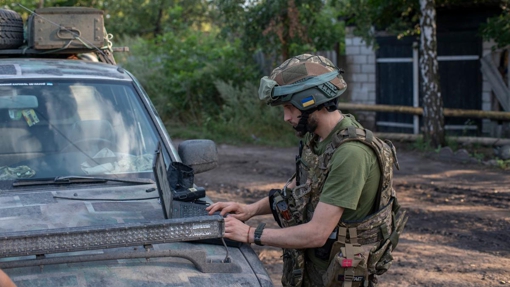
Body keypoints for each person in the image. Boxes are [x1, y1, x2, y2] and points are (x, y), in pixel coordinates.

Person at [207, 54, 407, 287]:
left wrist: (251, 234)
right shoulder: (320, 140)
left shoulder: (351, 154)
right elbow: (296, 189)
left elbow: (317, 233)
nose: (286, 117)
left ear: (311, 100)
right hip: (314, 267)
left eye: (290, 108)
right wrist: (249, 210)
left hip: (338, 274)